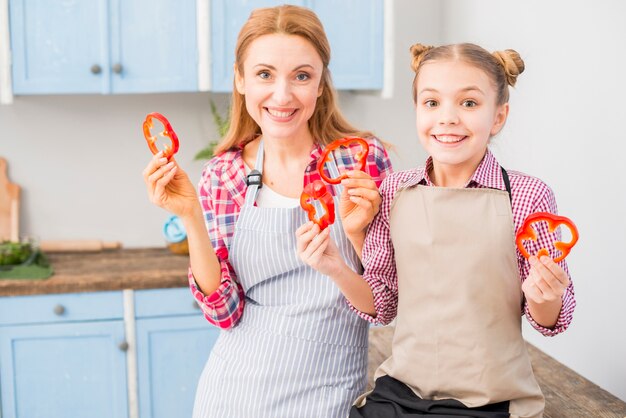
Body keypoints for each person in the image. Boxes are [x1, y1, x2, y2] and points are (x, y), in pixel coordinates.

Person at [297, 42, 576, 418]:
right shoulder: (394, 190)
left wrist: (544, 294)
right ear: (417, 110)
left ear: (498, 117)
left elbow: (548, 320)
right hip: (401, 391)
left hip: (490, 399)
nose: (447, 118)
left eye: (469, 103)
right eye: (432, 103)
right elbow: (382, 305)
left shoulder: (527, 196)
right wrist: (335, 264)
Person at [142, 5, 392, 418]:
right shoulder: (223, 175)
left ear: (320, 84)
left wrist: (358, 236)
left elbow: (384, 299)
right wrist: (190, 216)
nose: (282, 95)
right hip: (233, 393)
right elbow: (225, 312)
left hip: (328, 391)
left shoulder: (361, 162)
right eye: (264, 74)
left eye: (301, 75)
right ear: (240, 80)